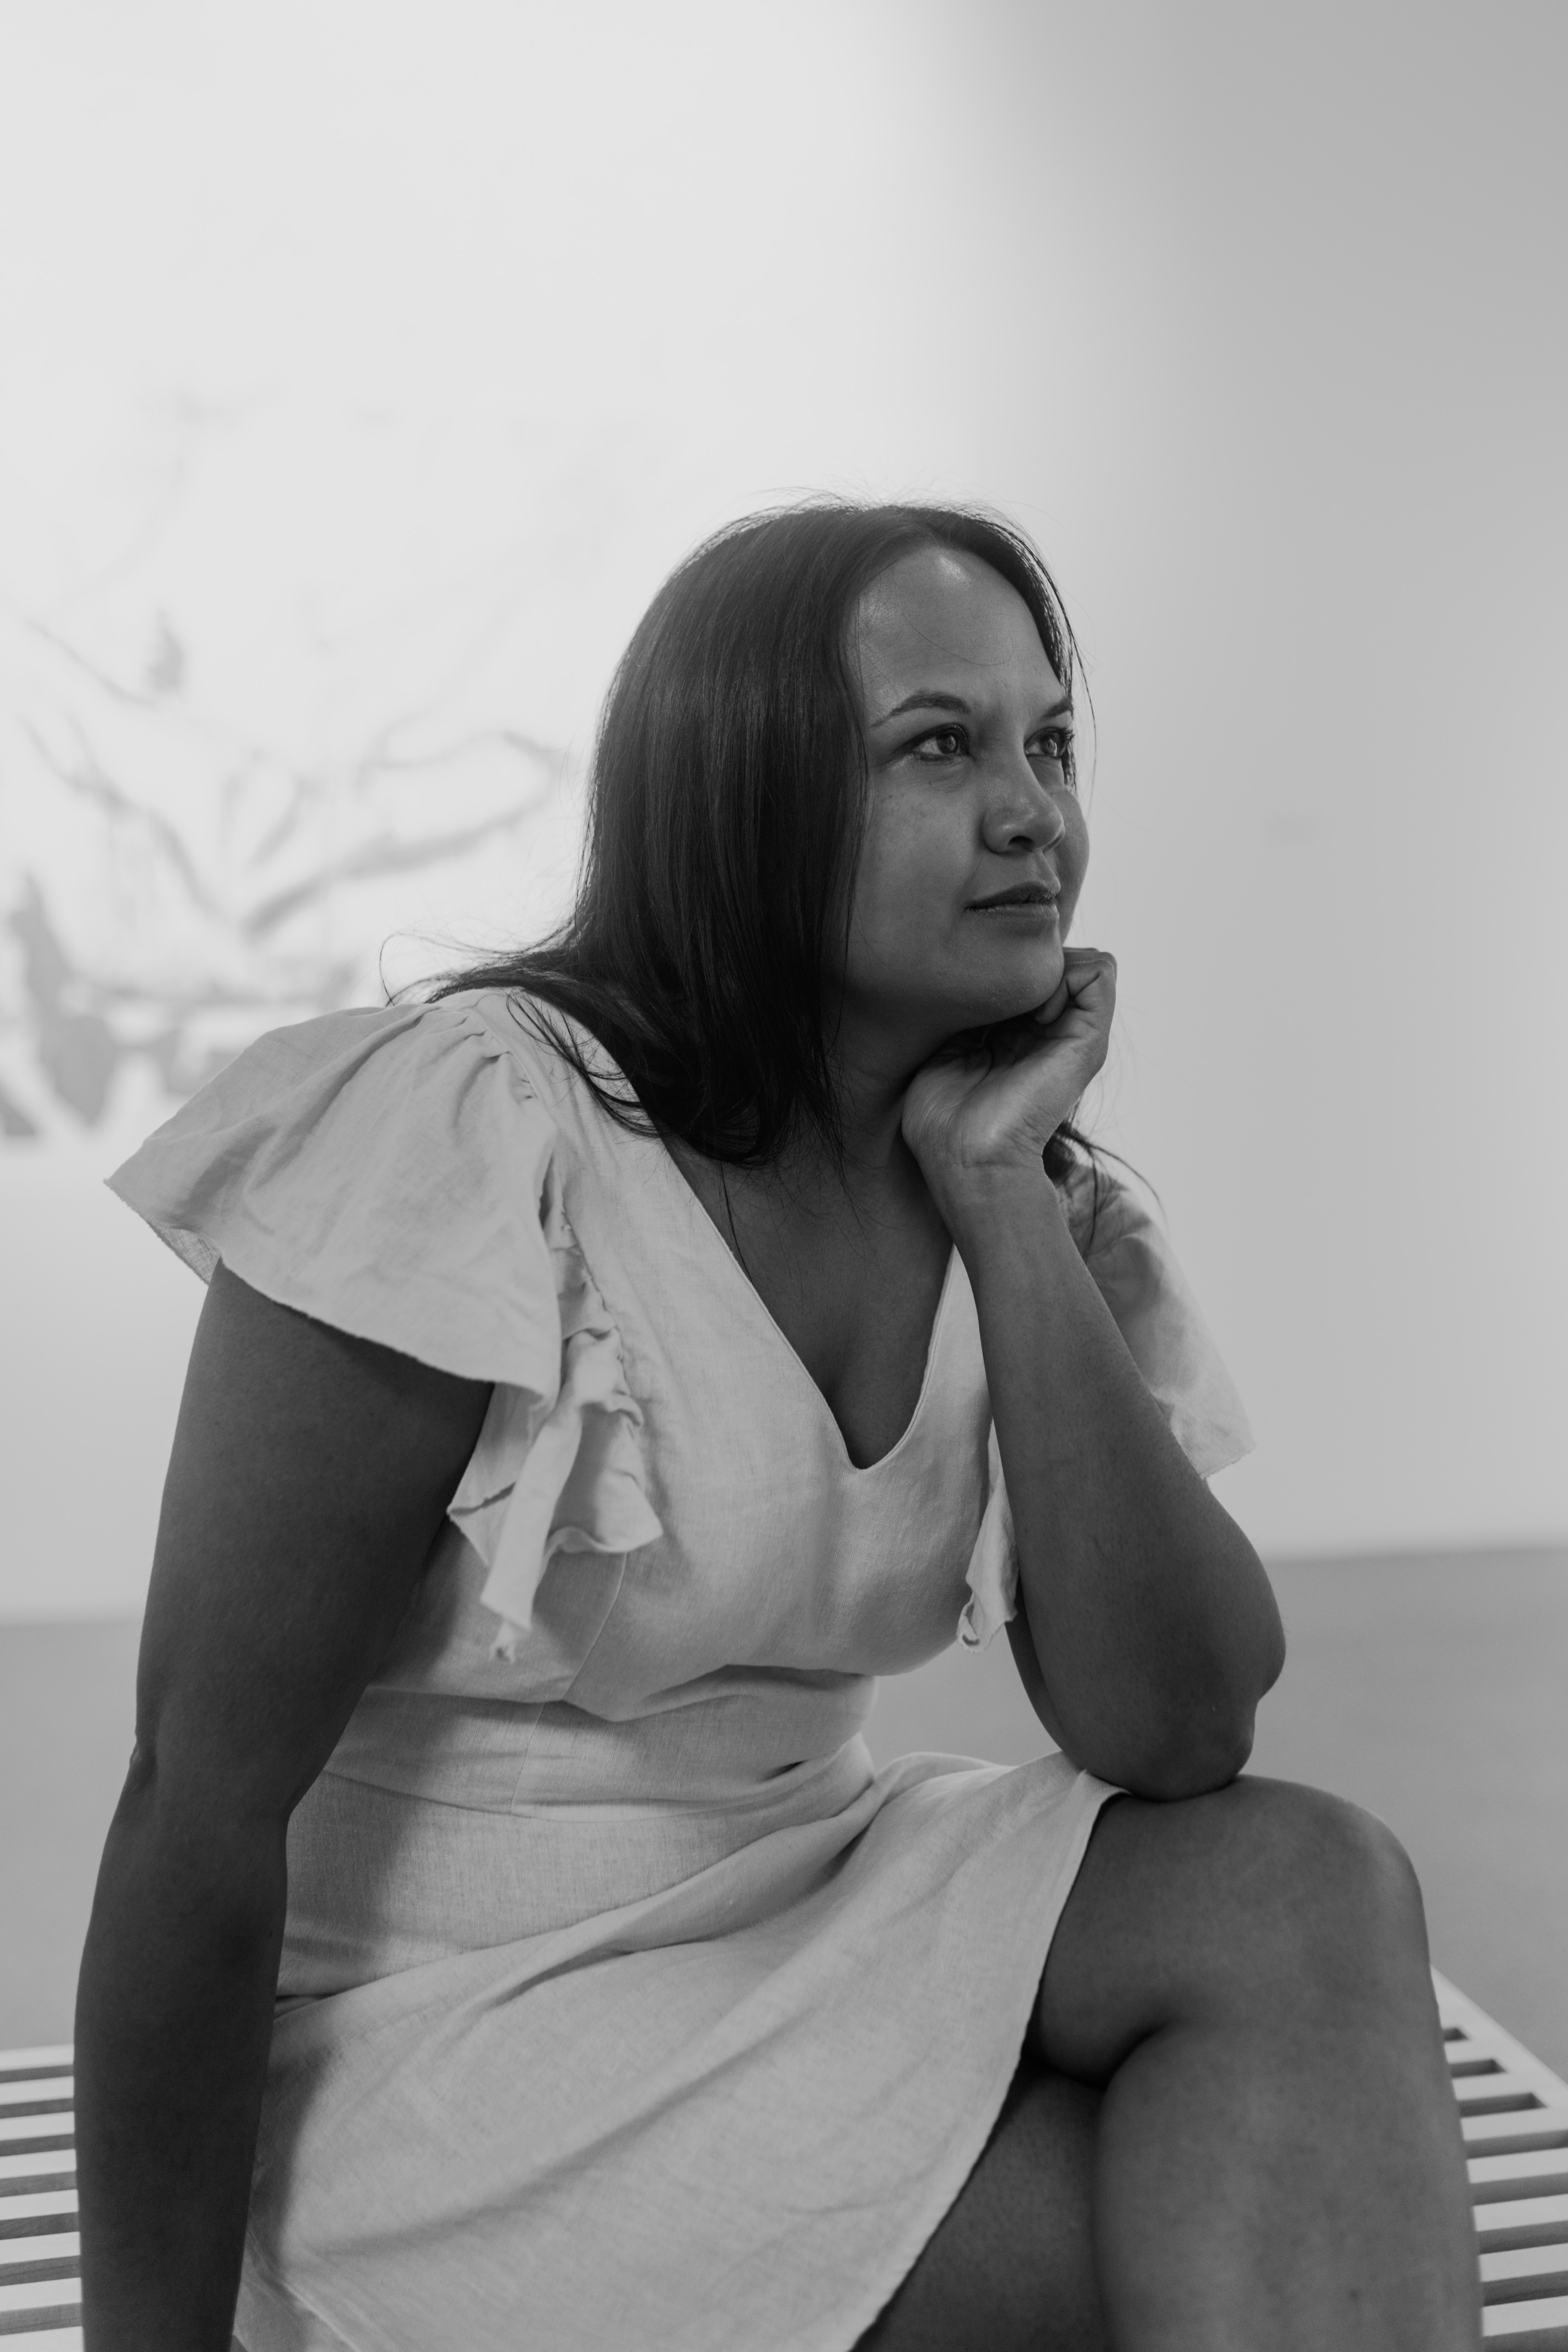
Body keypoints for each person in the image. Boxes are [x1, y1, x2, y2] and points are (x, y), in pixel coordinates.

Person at [75, 501, 1481, 2352]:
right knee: (1222, 2205)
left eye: (1048, 741)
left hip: (805, 1900)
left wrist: (997, 1194)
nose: (1031, 813)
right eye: (938, 745)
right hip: (458, 2045)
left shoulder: (1025, 1181)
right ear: (748, 796)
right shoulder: (473, 1135)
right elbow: (197, 1800)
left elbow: (1180, 1726)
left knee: (1305, 1881)